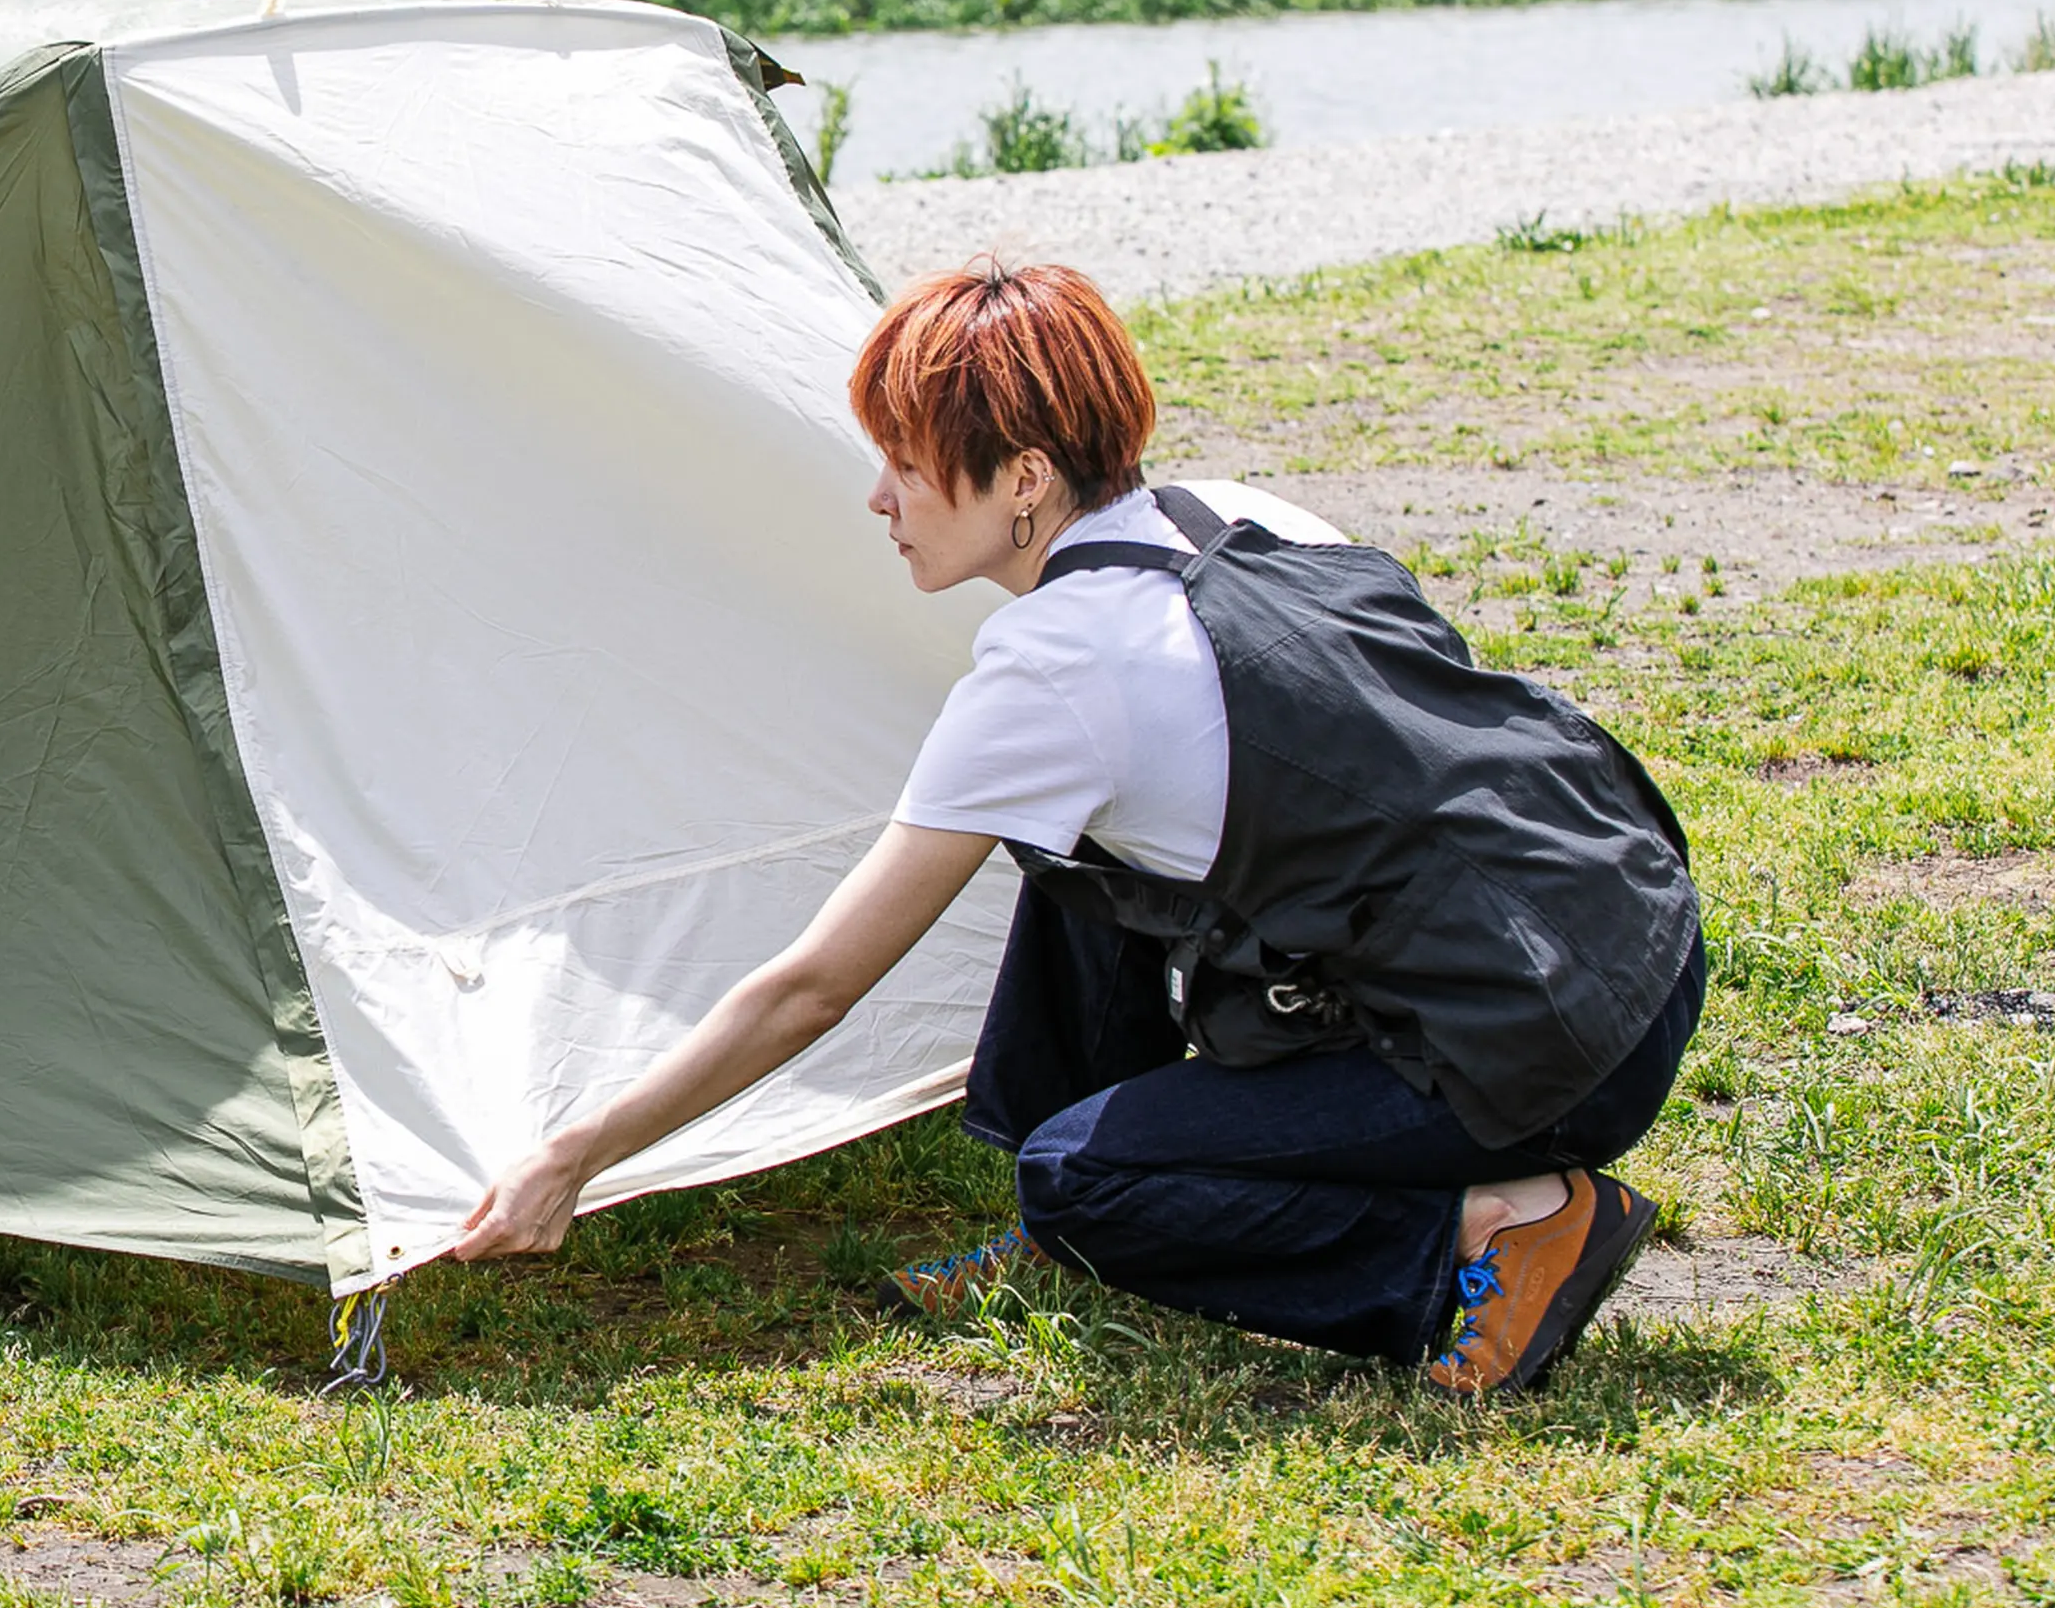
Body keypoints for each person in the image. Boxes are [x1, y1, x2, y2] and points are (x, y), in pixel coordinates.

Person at [453, 259, 1703, 1396]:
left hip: (1531, 1050)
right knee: (1067, 846)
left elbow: (815, 988)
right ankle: (1059, 1237)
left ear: (1027, 483)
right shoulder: (1239, 514)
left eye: (907, 459)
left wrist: (579, 1153)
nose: (877, 496)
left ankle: (1502, 1228)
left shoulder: (1057, 666)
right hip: (1632, 942)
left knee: (1090, 1178)